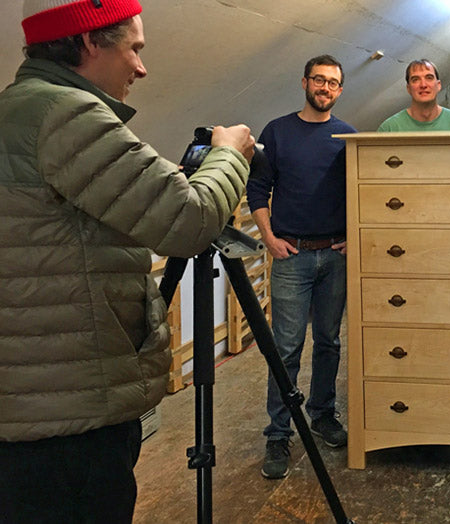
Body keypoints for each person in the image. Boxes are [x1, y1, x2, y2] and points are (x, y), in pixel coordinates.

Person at [0, 1, 255, 523]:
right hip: (70, 414)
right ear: (90, 41)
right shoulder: (67, 114)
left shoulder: (16, 108)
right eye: (134, 48)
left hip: (30, 399)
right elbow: (190, 221)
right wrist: (230, 153)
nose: (141, 68)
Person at [247, 55, 357, 480]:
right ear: (305, 82)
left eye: (332, 83)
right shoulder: (277, 132)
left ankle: (322, 414)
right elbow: (258, 189)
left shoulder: (347, 136)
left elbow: (359, 191)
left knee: (328, 342)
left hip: (335, 256)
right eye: (318, 80)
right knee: (285, 349)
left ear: (340, 90)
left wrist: (354, 236)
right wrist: (269, 236)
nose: (325, 88)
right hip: (290, 256)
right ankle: (278, 434)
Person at [377, 58, 450, 132]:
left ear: (438, 85)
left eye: (429, 78)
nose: (423, 85)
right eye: (415, 80)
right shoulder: (389, 129)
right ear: (408, 88)